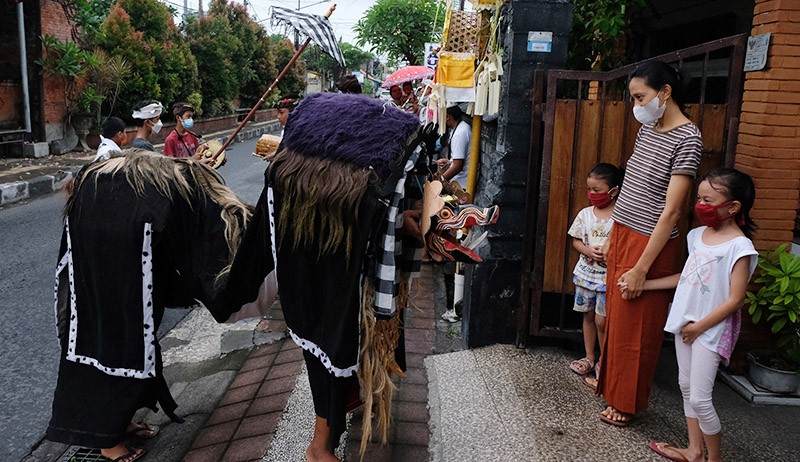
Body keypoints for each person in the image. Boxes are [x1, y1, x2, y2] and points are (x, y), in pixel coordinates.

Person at [220, 93, 422, 462]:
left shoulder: (364, 179)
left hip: (354, 280)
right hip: (325, 284)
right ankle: (319, 446)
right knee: (328, 357)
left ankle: (330, 433)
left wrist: (408, 221)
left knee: (346, 356)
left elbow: (384, 214)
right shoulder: (300, 184)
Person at [47, 150, 251, 462]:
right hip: (106, 272)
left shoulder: (179, 186)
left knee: (138, 339)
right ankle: (105, 439)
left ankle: (122, 419)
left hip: (133, 266)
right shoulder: (127, 183)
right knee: (107, 342)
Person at [596, 61, 703, 427]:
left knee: (637, 322)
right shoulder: (648, 128)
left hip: (651, 242)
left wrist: (642, 267)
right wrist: (613, 233)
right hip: (625, 230)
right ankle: (611, 386)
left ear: (665, 92)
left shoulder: (689, 138)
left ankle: (624, 401)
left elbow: (672, 211)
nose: (636, 105)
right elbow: (632, 187)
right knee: (617, 316)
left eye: (640, 97)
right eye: (633, 98)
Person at [633, 168, 757, 462]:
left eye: (708, 200)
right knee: (686, 388)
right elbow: (689, 276)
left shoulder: (740, 247)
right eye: (699, 198)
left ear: (733, 207)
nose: (700, 205)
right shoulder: (696, 236)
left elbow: (736, 299)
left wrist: (699, 327)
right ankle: (695, 450)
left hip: (710, 330)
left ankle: (713, 459)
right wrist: (645, 283)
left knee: (701, 398)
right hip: (685, 324)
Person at [567, 163, 622, 385]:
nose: (592, 194)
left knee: (603, 320)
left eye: (597, 190)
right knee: (587, 315)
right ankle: (590, 357)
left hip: (607, 279)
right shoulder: (585, 214)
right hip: (586, 275)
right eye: (589, 189)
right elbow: (576, 240)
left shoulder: (620, 216)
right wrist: (588, 251)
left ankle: (606, 362)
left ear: (614, 191)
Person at [436, 104, 471, 188]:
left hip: (460, 185)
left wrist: (439, 182)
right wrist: (448, 162)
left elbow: (457, 166)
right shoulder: (458, 128)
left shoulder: (459, 133)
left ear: (447, 116)